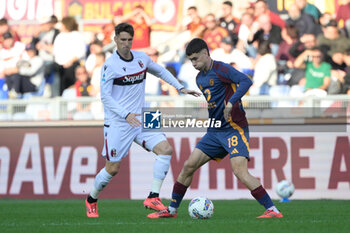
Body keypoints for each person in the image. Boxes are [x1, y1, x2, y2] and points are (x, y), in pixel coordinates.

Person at [147, 38, 283, 219]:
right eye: (191, 60)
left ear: (205, 53)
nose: (194, 63)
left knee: (240, 171)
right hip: (214, 131)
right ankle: (172, 210)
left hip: (234, 128)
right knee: (188, 166)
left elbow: (245, 81)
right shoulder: (199, 78)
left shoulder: (221, 69)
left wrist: (231, 103)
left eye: (196, 58)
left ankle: (272, 210)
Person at [85, 23, 201, 218]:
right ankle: (91, 199)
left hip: (145, 115)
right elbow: (105, 97)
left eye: (129, 40)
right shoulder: (110, 65)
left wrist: (180, 88)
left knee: (166, 150)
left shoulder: (141, 58)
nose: (126, 43)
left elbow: (161, 71)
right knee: (112, 168)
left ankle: (153, 197)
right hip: (120, 121)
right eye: (122, 39)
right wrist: (125, 114)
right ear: (115, 40)